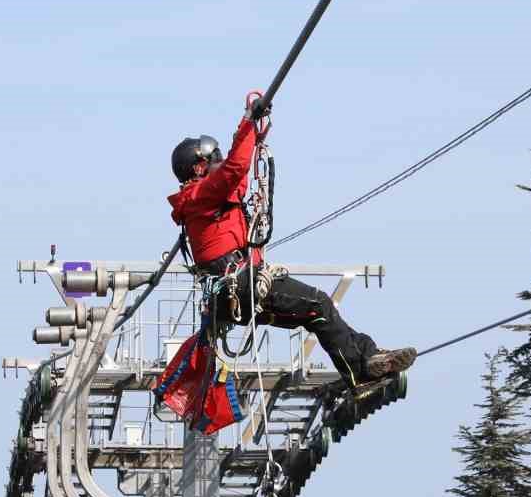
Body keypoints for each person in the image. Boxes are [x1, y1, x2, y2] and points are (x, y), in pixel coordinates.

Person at [167, 95, 417, 389]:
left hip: (239, 291)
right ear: (198, 168)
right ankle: (361, 373)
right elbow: (234, 169)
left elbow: (237, 177)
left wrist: (249, 130)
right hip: (241, 285)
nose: (219, 164)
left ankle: (368, 358)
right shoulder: (199, 196)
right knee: (319, 303)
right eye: (213, 160)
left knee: (314, 314)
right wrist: (249, 120)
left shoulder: (205, 200)